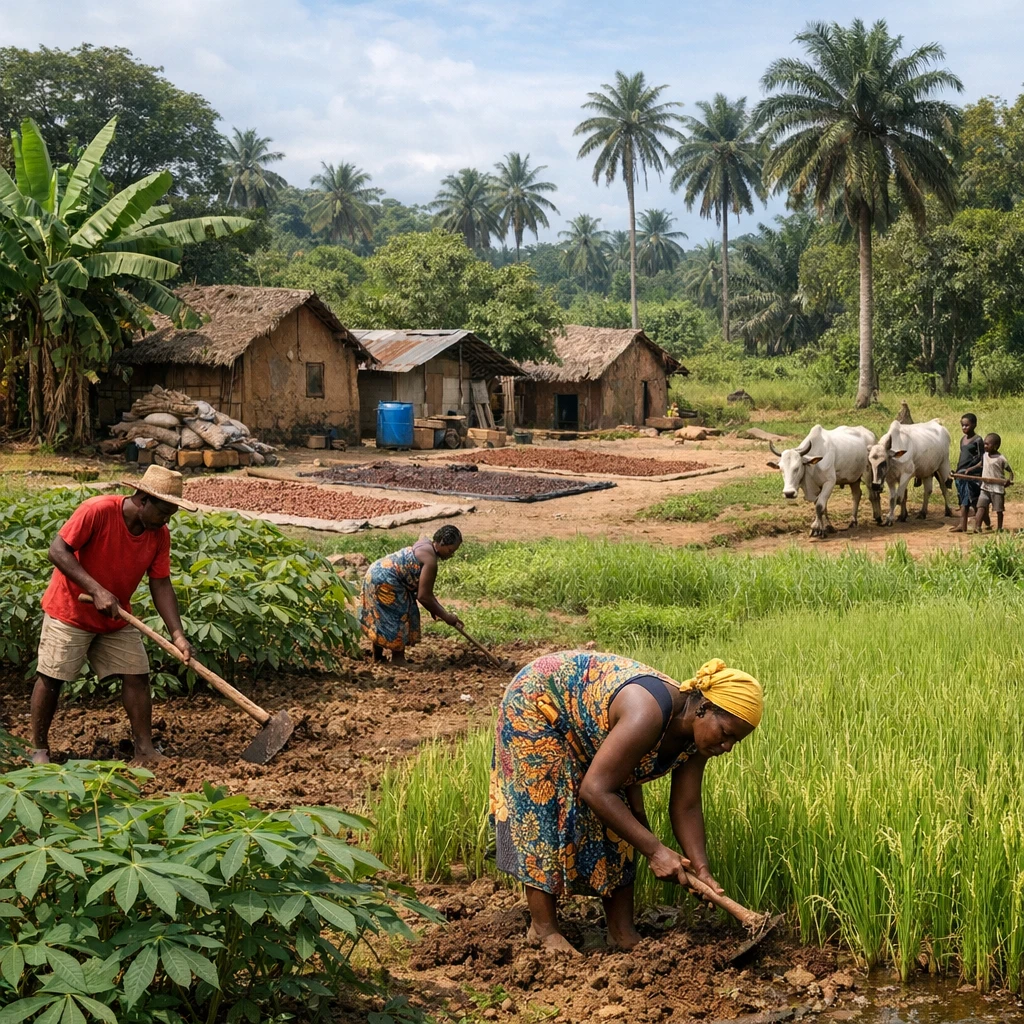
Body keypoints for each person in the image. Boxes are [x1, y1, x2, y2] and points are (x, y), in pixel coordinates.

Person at [490, 652, 762, 954]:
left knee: (622, 822)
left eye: (735, 741)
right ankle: (543, 929)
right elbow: (595, 790)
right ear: (705, 708)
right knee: (545, 807)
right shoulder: (648, 712)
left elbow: (686, 805)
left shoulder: (696, 742)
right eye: (726, 734)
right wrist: (656, 851)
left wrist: (701, 867)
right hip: (540, 704)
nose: (727, 747)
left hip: (586, 731)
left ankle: (621, 931)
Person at [30, 466, 197, 766]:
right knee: (52, 676)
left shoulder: (158, 535)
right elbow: (57, 551)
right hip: (70, 610)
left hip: (115, 616)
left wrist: (178, 635)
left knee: (137, 675)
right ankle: (39, 749)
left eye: (172, 515)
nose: (166, 521)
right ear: (143, 499)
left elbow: (160, 582)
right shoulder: (98, 510)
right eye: (163, 512)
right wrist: (96, 590)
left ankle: (144, 749)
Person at [359, 525, 464, 662]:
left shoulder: (425, 543)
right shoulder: (430, 561)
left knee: (381, 617)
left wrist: (436, 609)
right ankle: (398, 660)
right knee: (398, 615)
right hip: (387, 581)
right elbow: (424, 596)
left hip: (375, 573)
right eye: (450, 550)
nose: (450, 555)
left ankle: (378, 657)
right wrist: (447, 616)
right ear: (442, 542)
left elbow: (424, 592)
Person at [951, 413, 984, 534]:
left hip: (971, 475)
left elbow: (982, 459)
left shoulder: (978, 440)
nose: (964, 428)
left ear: (974, 425)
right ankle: (963, 524)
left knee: (971, 500)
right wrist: (958, 470)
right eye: (962, 425)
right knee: (962, 498)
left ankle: (976, 524)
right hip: (961, 473)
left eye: (967, 425)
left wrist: (971, 469)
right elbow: (962, 456)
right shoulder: (962, 440)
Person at [974, 433, 1013, 533]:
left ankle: (999, 528)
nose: (985, 446)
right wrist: (970, 469)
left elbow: (1010, 471)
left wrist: (1009, 481)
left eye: (988, 444)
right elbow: (981, 464)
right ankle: (977, 527)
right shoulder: (985, 455)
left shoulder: (1001, 458)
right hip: (985, 488)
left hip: (997, 489)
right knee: (980, 507)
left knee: (998, 510)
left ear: (995, 446)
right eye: (984, 444)